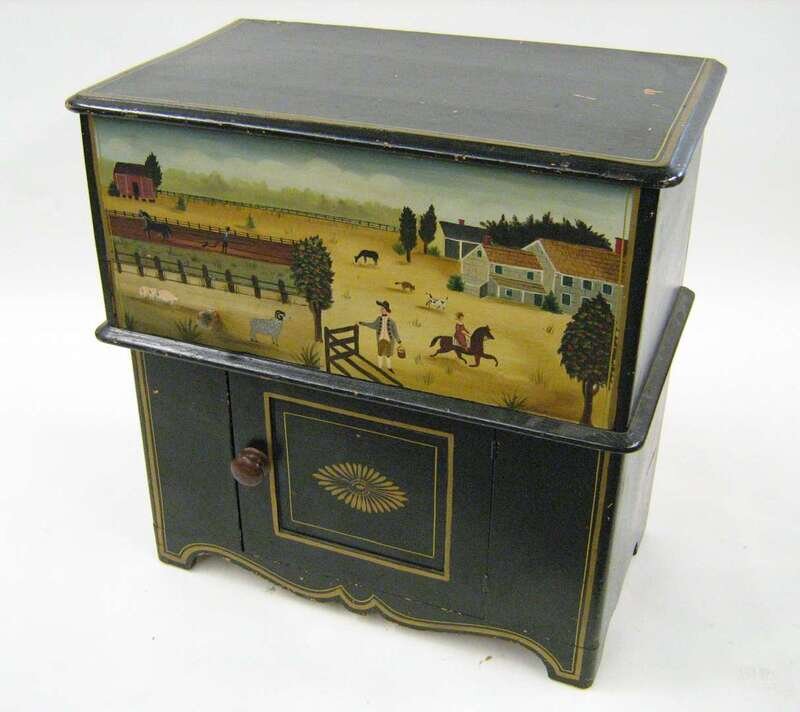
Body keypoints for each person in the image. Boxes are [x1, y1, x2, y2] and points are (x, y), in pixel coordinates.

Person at [359, 301, 402, 373]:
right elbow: (372, 325)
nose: (381, 310)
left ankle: (389, 367)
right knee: (380, 354)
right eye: (381, 308)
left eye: (383, 308)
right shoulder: (379, 319)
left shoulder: (392, 321)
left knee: (388, 355)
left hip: (389, 340)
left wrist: (399, 341)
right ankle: (379, 367)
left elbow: (395, 332)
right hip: (381, 339)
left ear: (387, 310)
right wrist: (363, 323)